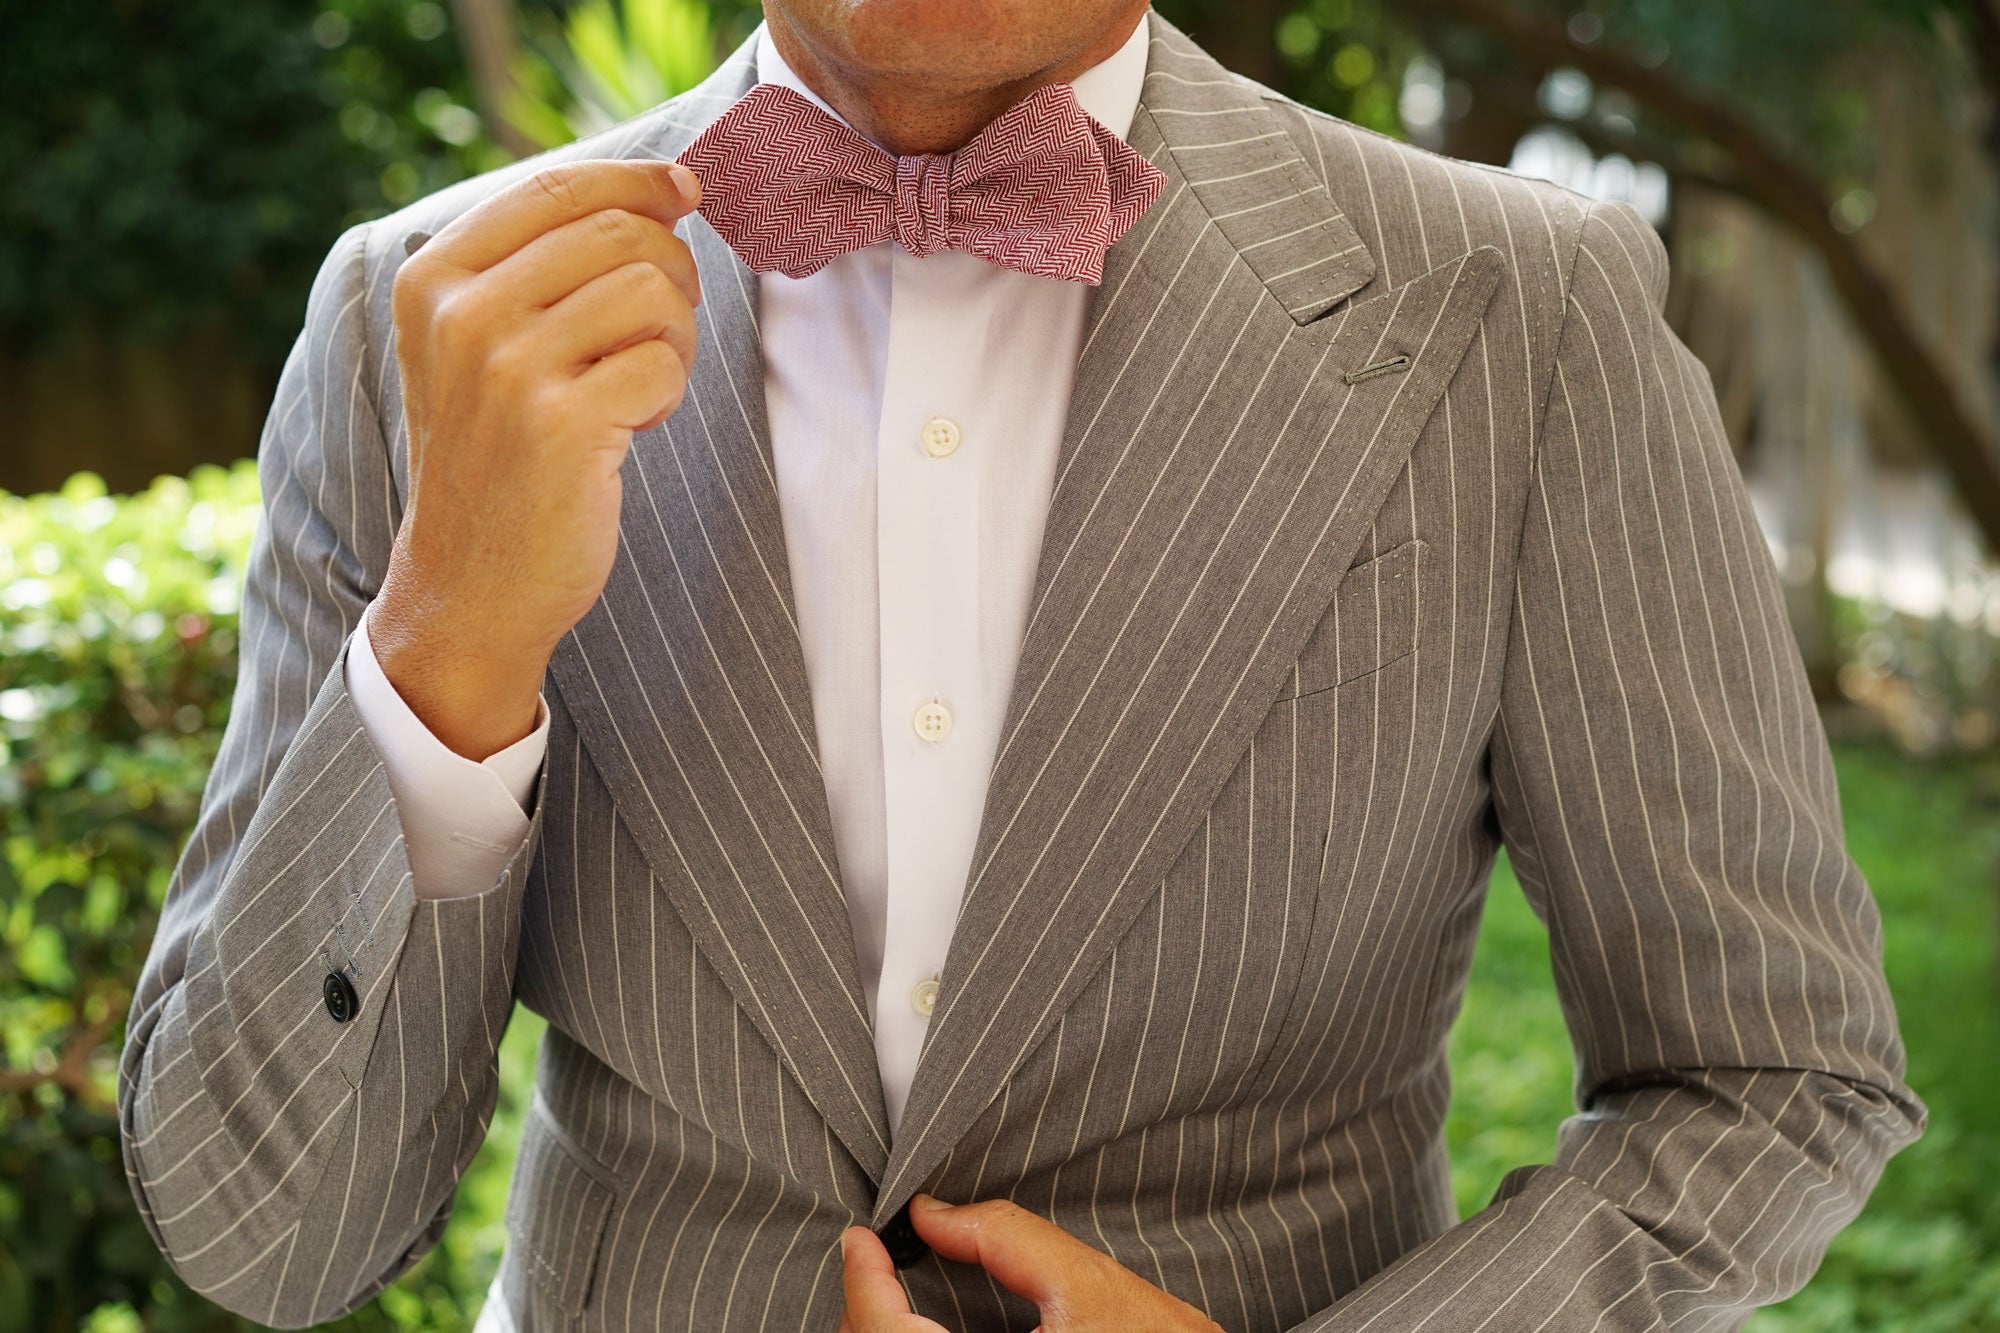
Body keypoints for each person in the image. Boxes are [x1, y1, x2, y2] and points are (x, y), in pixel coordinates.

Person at [118, 1, 1924, 1329]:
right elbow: (263, 1228)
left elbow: (1774, 1075)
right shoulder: (412, 317)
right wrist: (449, 641)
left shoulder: (1526, 319)